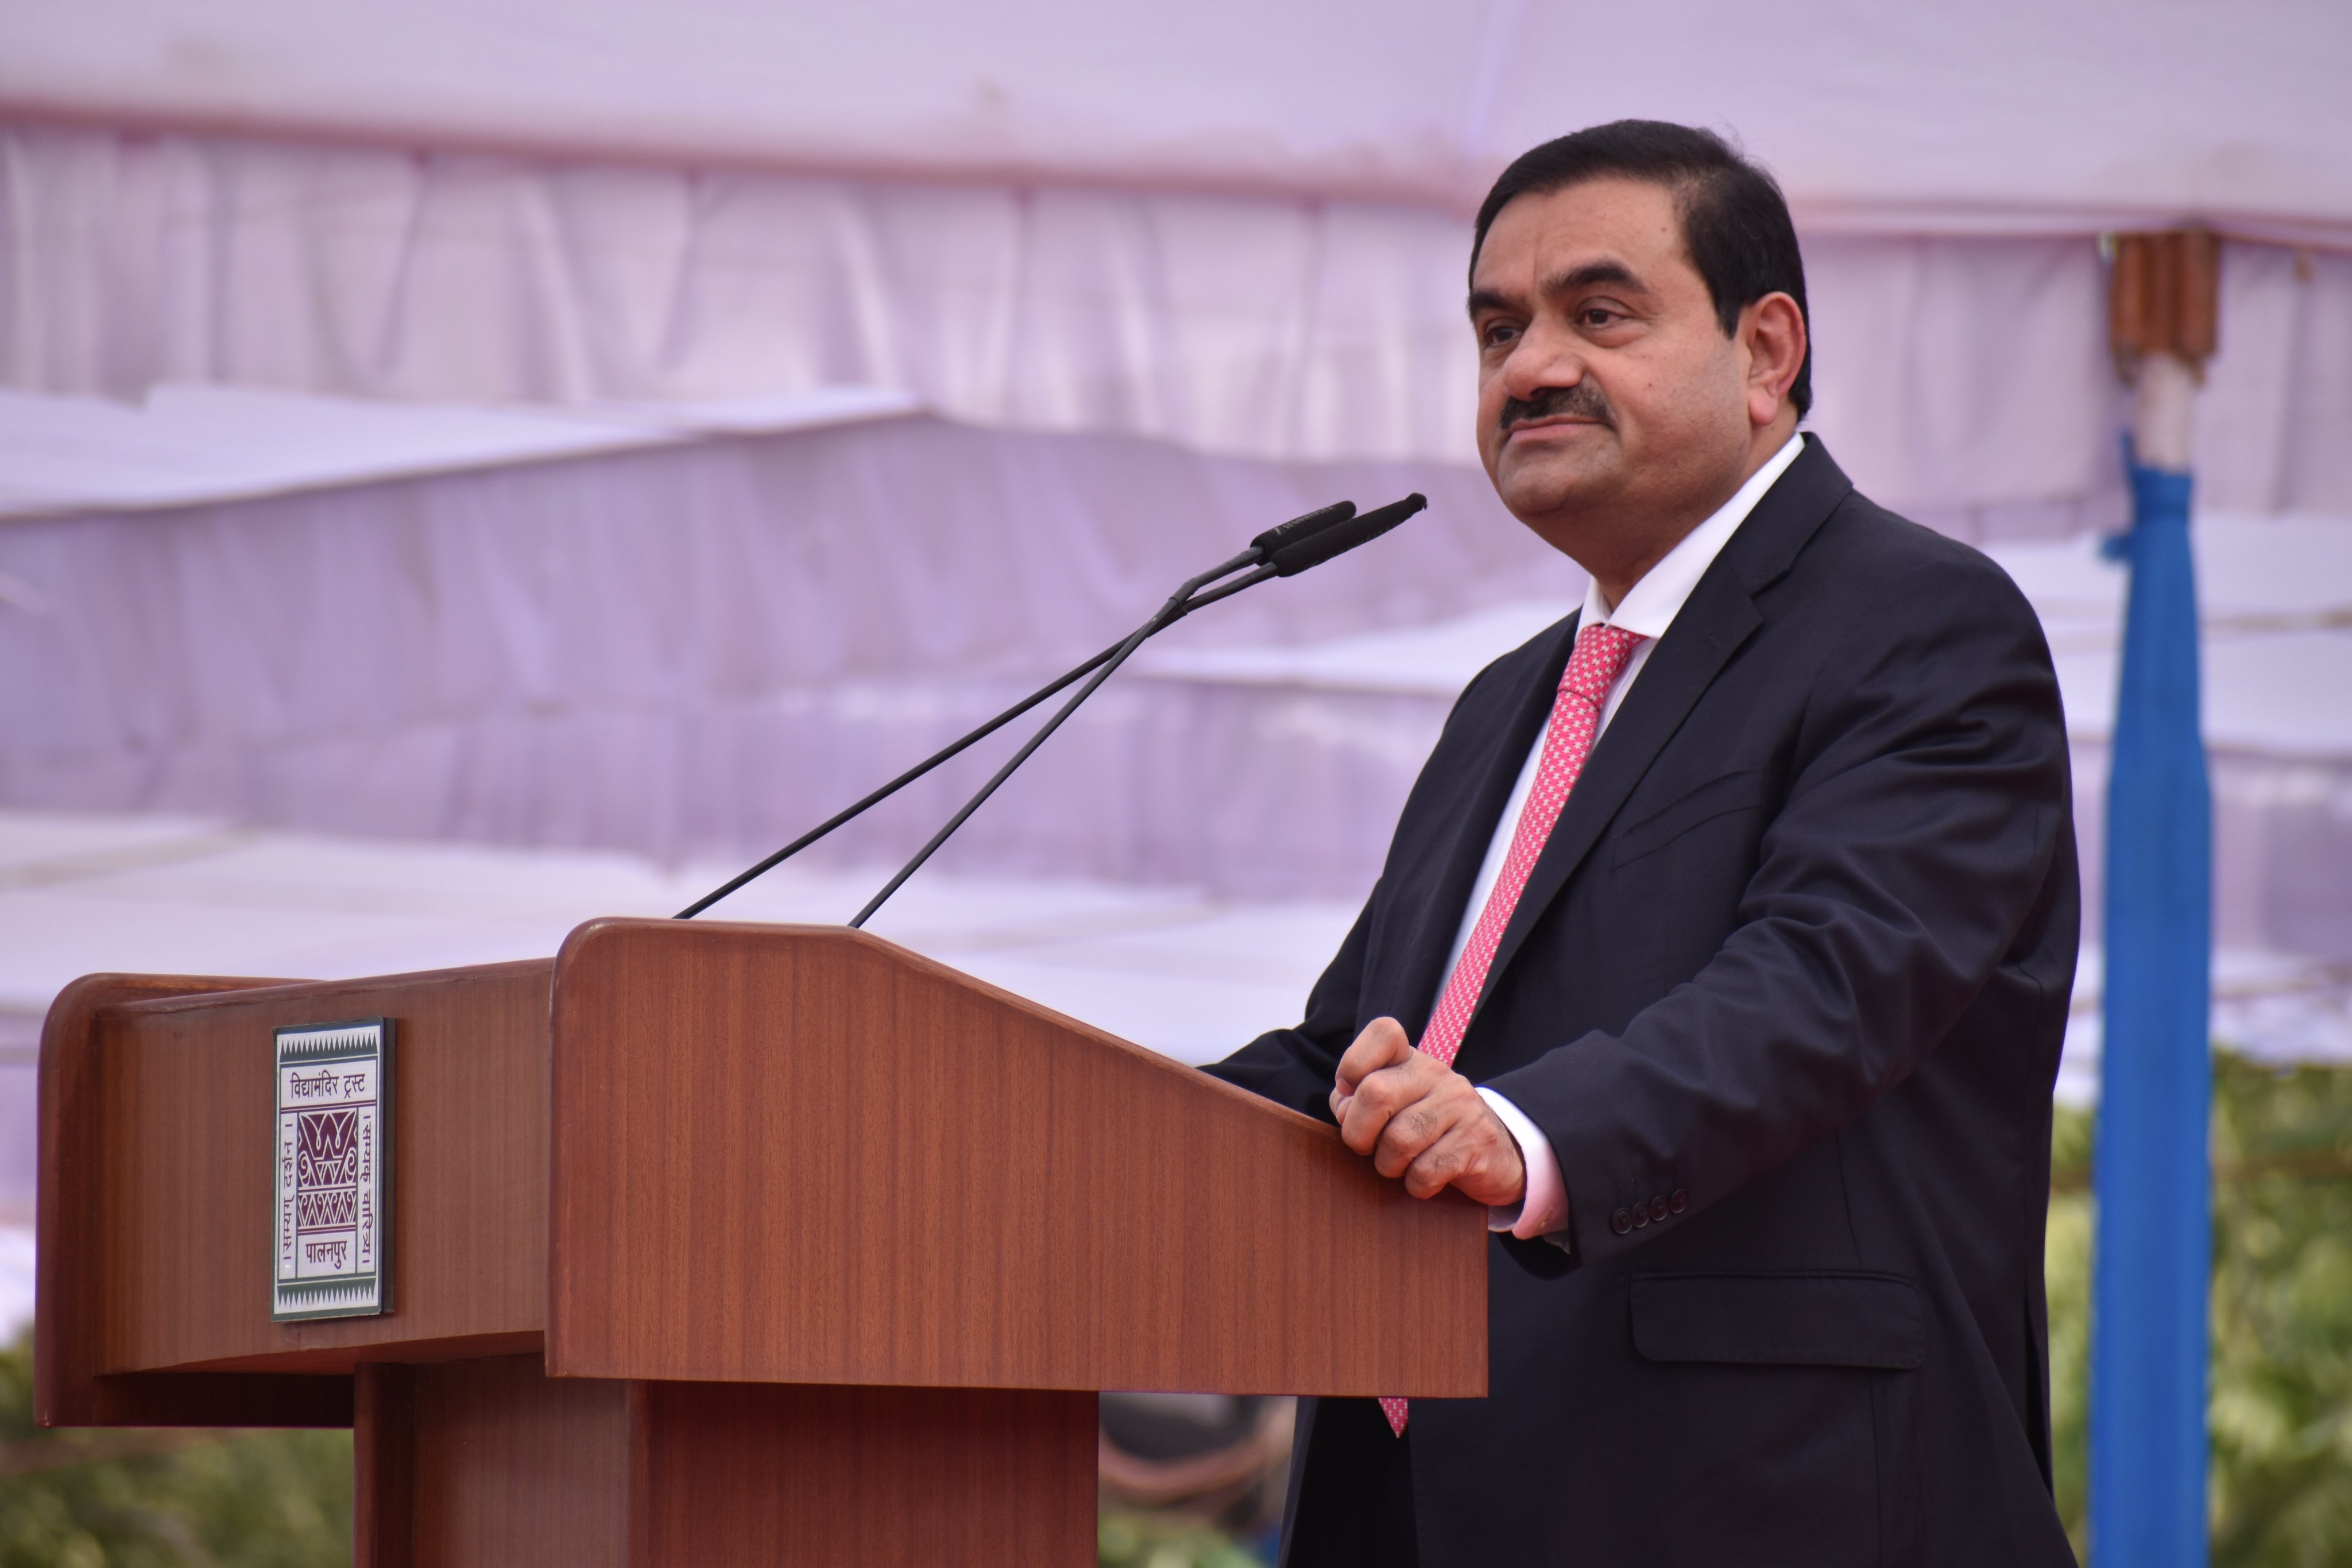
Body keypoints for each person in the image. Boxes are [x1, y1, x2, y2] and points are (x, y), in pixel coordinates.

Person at [1206, 121, 2080, 1567]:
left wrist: (1517, 1134)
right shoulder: (1509, 704)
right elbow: (1350, 1056)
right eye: (1497, 330)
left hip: (1758, 1500)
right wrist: (1032, 1139)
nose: (1529, 367)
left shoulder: (1919, 624)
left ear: (1764, 351)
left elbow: (1821, 985)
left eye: (1598, 314)